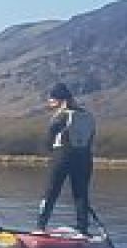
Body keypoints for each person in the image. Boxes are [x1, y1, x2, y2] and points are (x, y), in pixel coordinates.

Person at [37, 83, 97, 232]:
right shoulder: (88, 116)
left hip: (62, 155)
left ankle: (40, 227)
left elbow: (50, 136)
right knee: (81, 194)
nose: (49, 102)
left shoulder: (62, 115)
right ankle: (83, 228)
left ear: (59, 100)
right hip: (84, 157)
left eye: (51, 99)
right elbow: (91, 138)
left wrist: (48, 150)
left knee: (50, 192)